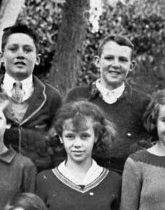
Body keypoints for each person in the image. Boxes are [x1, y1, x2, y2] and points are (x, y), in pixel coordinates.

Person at [35, 101, 122, 210]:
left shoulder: (113, 181)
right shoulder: (44, 180)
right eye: (70, 136)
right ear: (60, 137)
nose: (77, 144)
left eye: (84, 136)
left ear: (97, 136)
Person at [0, 23, 61, 171]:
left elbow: (59, 146)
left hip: (37, 181)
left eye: (27, 50)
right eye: (13, 49)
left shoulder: (51, 97)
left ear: (37, 58)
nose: (20, 55)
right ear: (1, 57)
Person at [63, 34, 151, 174]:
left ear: (131, 65)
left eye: (122, 60)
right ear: (97, 61)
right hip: (83, 177)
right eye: (109, 58)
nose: (115, 65)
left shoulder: (143, 103)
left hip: (125, 180)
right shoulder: (77, 96)